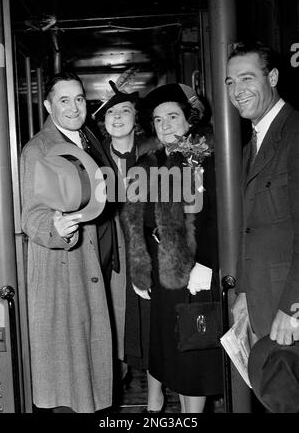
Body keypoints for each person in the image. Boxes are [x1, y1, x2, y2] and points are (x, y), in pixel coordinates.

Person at [20, 71, 125, 413]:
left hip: (98, 262)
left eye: (79, 98)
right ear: (49, 105)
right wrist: (57, 228)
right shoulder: (39, 149)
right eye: (64, 100)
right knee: (72, 380)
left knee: (92, 371)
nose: (74, 106)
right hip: (66, 270)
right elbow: (31, 216)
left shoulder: (88, 137)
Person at [119, 83, 223, 413]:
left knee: (193, 352)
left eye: (173, 117)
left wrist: (205, 263)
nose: (165, 125)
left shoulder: (202, 159)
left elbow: (217, 216)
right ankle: (166, 409)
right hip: (161, 269)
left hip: (194, 270)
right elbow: (138, 219)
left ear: (188, 121)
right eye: (159, 119)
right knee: (169, 351)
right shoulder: (151, 160)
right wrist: (140, 267)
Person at [225, 42, 299, 346]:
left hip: (287, 309)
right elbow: (251, 226)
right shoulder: (251, 146)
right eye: (231, 82)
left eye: (247, 78)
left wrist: (293, 307)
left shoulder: (295, 134)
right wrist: (244, 290)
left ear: (272, 78)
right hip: (260, 304)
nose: (237, 90)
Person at [96, 81, 162, 411]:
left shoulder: (155, 152)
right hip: (109, 255)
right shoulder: (92, 155)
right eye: (111, 112)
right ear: (103, 121)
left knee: (151, 327)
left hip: (148, 252)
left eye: (124, 111)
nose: (118, 116)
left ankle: (155, 398)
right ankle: (114, 395)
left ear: (136, 118)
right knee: (114, 325)